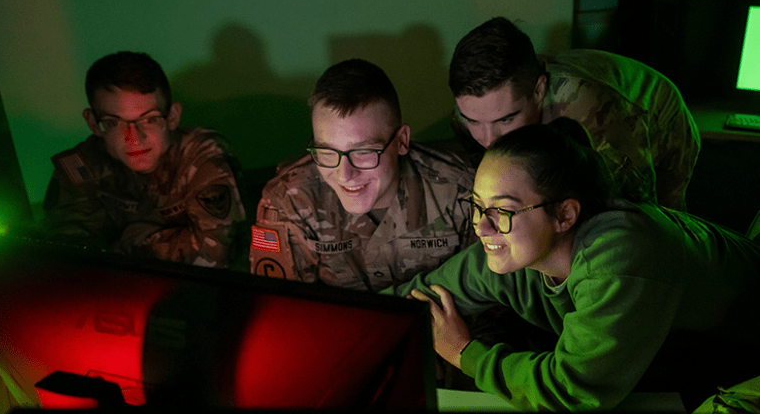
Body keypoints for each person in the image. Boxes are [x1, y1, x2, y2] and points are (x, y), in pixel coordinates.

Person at [383, 118, 760, 411]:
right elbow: (412, 302)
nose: (482, 226)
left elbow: (571, 392)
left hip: (739, 357)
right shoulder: (512, 249)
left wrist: (466, 354)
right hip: (665, 357)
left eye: (503, 210)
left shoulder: (620, 256)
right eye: (478, 205)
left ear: (565, 215)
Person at [249, 58, 475, 292]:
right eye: (327, 151)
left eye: (363, 152)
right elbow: (282, 310)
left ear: (401, 141)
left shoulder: (460, 191)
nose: (344, 174)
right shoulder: (290, 200)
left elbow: (489, 308)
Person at [448, 16, 700, 210]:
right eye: (474, 121)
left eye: (506, 119)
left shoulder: (587, 108)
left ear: (538, 91)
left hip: (657, 116)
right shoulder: (464, 116)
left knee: (660, 223)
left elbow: (637, 202)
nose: (490, 139)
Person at [42, 51, 246, 268]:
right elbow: (65, 258)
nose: (134, 138)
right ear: (93, 124)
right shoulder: (82, 167)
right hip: (121, 291)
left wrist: (133, 242)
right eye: (114, 122)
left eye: (149, 120)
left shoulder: (200, 155)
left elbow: (216, 255)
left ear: (173, 117)